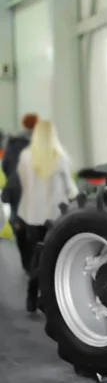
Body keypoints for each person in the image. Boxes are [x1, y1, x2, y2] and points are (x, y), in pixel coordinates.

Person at [16, 120, 79, 312]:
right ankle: (52, 300)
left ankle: (31, 296)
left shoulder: (26, 156)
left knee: (37, 255)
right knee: (55, 257)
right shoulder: (60, 157)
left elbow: (23, 182)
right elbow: (71, 188)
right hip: (55, 217)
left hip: (33, 215)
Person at [1, 113, 39, 272]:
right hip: (35, 190)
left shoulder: (14, 143)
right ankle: (35, 264)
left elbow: (6, 166)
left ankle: (27, 263)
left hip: (17, 189)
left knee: (19, 225)